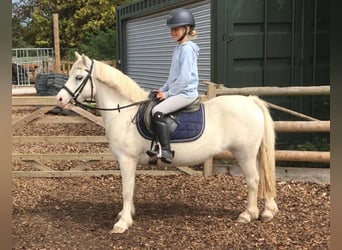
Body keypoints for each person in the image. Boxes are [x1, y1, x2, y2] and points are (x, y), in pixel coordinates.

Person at [146, 8, 200, 164]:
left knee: (157, 110)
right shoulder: (178, 49)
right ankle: (157, 146)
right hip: (178, 91)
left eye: (176, 28)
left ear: (187, 29)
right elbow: (172, 77)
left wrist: (168, 95)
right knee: (153, 103)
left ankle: (167, 151)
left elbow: (184, 78)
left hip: (186, 93)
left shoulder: (187, 49)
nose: (173, 32)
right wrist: (162, 90)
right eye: (172, 29)